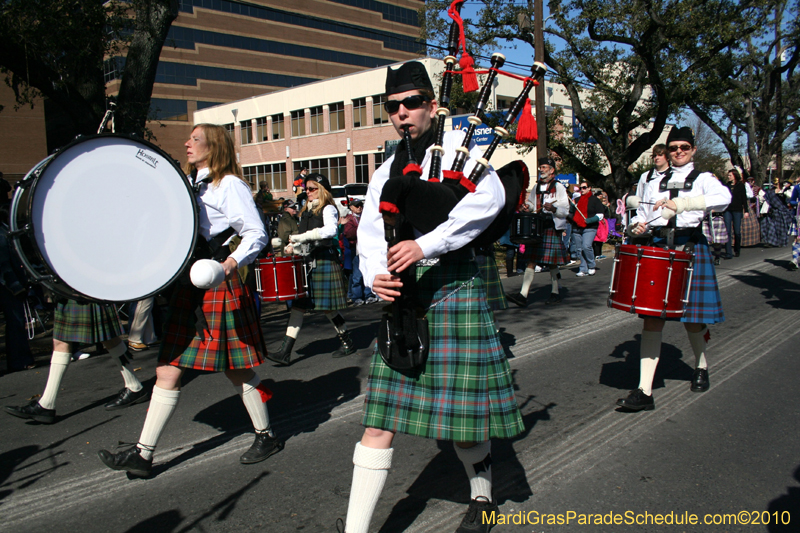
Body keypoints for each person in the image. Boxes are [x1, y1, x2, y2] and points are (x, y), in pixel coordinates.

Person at [342, 60, 524, 533]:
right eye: (393, 107)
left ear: (432, 105)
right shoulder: (386, 168)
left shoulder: (464, 154)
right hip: (404, 298)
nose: (402, 113)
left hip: (452, 286)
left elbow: (489, 203)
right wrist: (375, 273)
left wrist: (426, 243)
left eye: (411, 103)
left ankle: (482, 498)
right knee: (378, 420)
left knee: (464, 422)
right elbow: (368, 232)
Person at [97, 123, 279, 478]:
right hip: (187, 287)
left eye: (195, 139)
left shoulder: (228, 185)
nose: (187, 143)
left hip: (215, 283)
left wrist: (228, 264)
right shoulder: (185, 185)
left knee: (237, 368)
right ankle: (143, 454)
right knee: (167, 368)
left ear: (214, 147)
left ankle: (266, 436)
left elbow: (256, 232)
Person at [618, 126, 731, 412]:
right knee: (652, 319)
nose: (678, 151)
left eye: (684, 147)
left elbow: (724, 199)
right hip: (659, 247)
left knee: (692, 319)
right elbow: (642, 216)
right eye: (673, 147)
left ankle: (701, 366)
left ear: (693, 150)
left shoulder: (704, 178)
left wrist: (683, 203)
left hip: (691, 248)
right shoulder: (654, 181)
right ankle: (644, 391)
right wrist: (637, 226)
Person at [4, 299, 147, 423]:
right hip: (70, 289)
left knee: (108, 336)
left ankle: (135, 387)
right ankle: (46, 404)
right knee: (61, 339)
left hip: (86, 286)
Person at [266, 173, 354, 365]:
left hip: (324, 260)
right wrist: (293, 247)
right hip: (308, 261)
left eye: (312, 189)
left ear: (322, 190)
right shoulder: (306, 210)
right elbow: (302, 237)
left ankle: (347, 342)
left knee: (327, 309)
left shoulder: (328, 208)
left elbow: (330, 231)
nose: (308, 192)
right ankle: (285, 351)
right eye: (306, 189)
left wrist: (304, 237)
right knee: (299, 305)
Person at [506, 157, 569, 307]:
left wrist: (553, 209)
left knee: (552, 262)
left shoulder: (558, 187)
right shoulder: (536, 187)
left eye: (545, 167)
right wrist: (526, 207)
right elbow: (532, 204)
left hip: (552, 226)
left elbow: (565, 209)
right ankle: (523, 295)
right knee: (532, 260)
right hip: (538, 226)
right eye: (541, 167)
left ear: (552, 170)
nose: (541, 169)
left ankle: (555, 292)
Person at [342, 198, 377, 306]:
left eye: (360, 205)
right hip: (356, 250)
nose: (359, 207)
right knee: (357, 275)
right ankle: (356, 297)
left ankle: (369, 295)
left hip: (367, 249)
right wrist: (361, 228)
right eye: (356, 206)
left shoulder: (366, 217)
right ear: (351, 207)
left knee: (368, 273)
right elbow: (348, 234)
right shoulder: (349, 219)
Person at [569, 181, 605, 277]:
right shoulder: (576, 200)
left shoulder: (595, 200)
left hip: (590, 227)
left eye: (584, 187)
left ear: (589, 188)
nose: (582, 190)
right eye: (581, 188)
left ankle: (591, 265)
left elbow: (600, 214)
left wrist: (591, 220)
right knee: (579, 249)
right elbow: (571, 213)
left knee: (586, 246)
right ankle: (583, 268)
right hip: (577, 227)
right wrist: (572, 207)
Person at [722, 167, 748, 259]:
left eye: (730, 175)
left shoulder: (741, 186)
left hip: (737, 210)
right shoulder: (726, 186)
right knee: (727, 231)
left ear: (734, 176)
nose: (728, 177)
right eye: (728, 175)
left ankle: (737, 249)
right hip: (727, 210)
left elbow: (744, 199)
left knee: (737, 231)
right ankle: (728, 252)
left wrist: (746, 210)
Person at [789, 183, 800, 270]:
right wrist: (798, 203)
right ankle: (795, 259)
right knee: (797, 239)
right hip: (798, 216)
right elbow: (792, 200)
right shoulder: (798, 187)